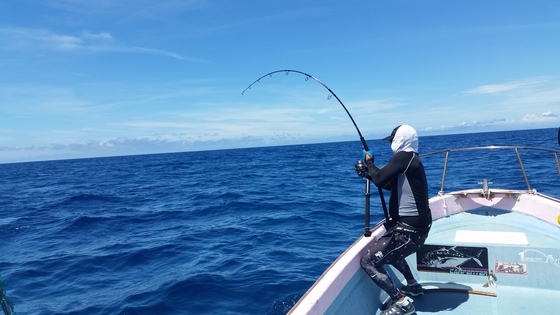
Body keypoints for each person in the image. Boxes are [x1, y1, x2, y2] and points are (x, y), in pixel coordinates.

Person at [360, 125, 432, 315]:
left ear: (400, 139)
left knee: (368, 261)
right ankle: (413, 285)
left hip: (409, 233)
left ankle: (401, 302)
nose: (391, 143)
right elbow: (391, 186)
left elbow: (380, 178)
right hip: (415, 231)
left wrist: (369, 162)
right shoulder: (411, 160)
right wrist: (369, 173)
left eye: (392, 140)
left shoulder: (404, 157)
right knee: (391, 252)